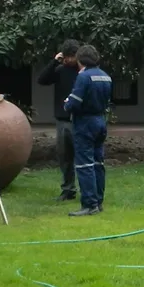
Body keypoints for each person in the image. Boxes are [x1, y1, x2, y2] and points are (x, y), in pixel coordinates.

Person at [62, 44, 112, 216]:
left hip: (85, 122)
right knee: (98, 162)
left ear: (80, 60)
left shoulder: (83, 77)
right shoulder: (105, 76)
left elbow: (74, 103)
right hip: (101, 120)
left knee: (84, 164)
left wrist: (66, 104)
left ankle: (89, 204)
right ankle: (98, 201)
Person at [36, 39, 82, 202]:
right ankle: (68, 189)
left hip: (80, 119)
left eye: (72, 56)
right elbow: (42, 80)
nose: (69, 60)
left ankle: (87, 190)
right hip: (63, 119)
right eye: (66, 56)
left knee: (82, 157)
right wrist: (54, 61)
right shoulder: (61, 70)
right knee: (65, 157)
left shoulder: (83, 72)